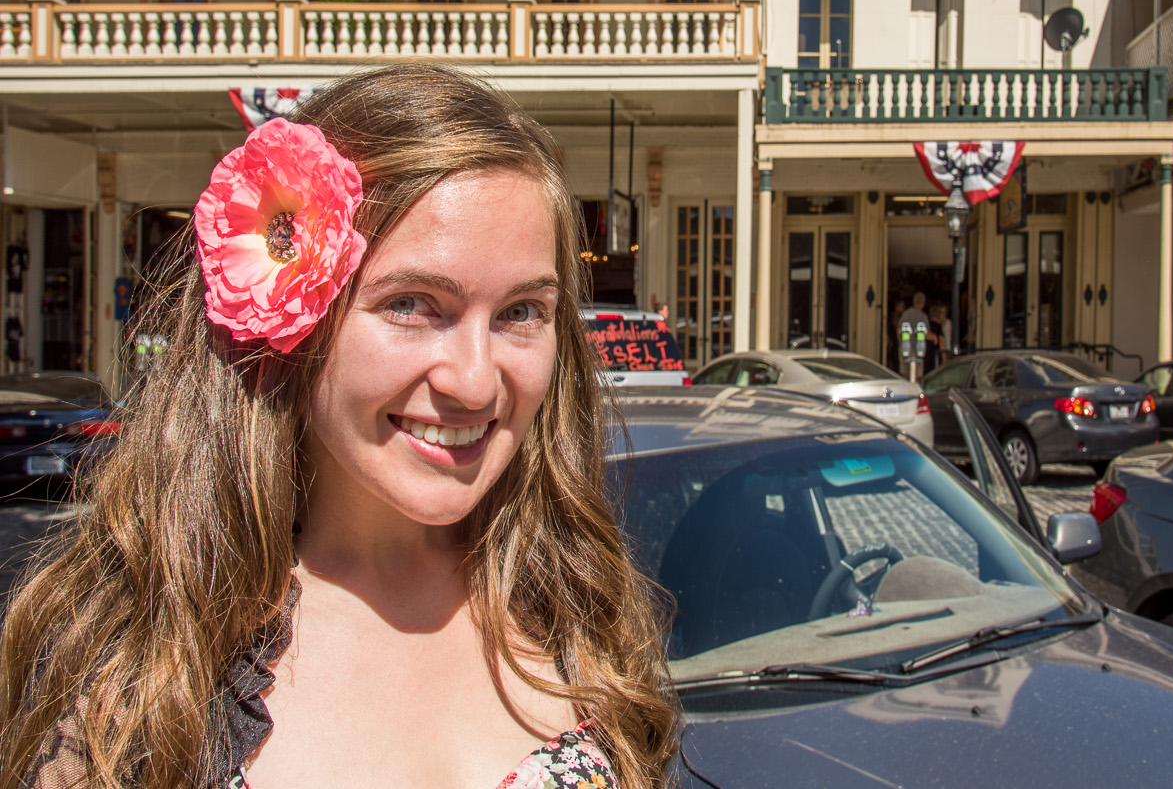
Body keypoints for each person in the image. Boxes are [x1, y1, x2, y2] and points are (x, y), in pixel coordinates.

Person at [0, 65, 677, 789]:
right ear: (290, 317)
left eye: (520, 312)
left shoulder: (580, 607)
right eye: (413, 304)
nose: (476, 380)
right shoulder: (144, 668)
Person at [898, 292, 932, 377]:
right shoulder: (923, 316)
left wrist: (900, 341)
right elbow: (926, 334)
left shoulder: (906, 314)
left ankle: (905, 389)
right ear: (923, 303)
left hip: (905, 347)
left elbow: (898, 330)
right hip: (918, 349)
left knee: (904, 373)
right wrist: (935, 338)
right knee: (917, 375)